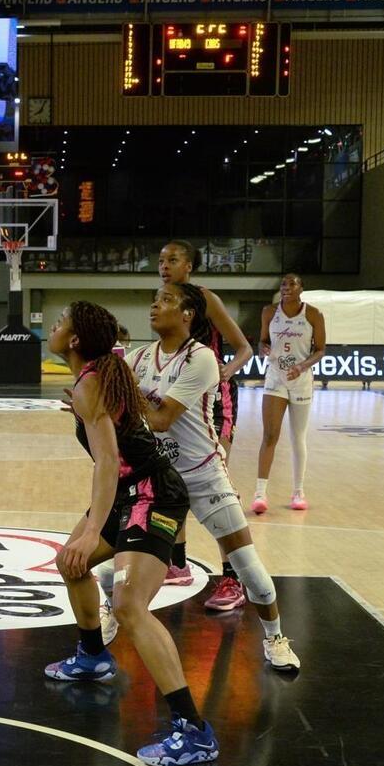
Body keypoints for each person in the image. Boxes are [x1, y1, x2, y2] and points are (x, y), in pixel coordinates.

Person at [45, 300, 218, 766]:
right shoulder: (100, 374)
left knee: (128, 607)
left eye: (60, 322)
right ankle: (92, 657)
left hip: (152, 496)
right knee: (70, 563)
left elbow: (105, 463)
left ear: (76, 340)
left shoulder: (94, 381)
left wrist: (92, 530)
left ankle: (193, 730)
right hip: (129, 493)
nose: (53, 326)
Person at [124, 283, 300, 671]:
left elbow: (159, 419)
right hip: (159, 480)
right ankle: (100, 630)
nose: (156, 304)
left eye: (166, 300)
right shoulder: (138, 358)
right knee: (119, 565)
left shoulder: (200, 358)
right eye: (154, 298)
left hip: (204, 476)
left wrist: (125, 398)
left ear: (188, 314)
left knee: (249, 568)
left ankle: (275, 638)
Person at [156, 240, 253, 598]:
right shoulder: (164, 300)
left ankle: (233, 577)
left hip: (214, 402)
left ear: (189, 266)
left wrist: (224, 372)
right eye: (162, 260)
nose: (165, 265)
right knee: (172, 479)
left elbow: (243, 347)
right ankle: (177, 564)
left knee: (217, 485)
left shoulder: (205, 298)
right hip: (181, 399)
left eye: (174, 259)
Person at [254, 273, 326, 514]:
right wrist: (263, 348)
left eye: (291, 284)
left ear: (301, 289)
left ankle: (298, 492)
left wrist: (302, 366)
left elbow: (321, 350)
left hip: (301, 380)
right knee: (270, 435)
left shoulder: (313, 314)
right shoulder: (268, 312)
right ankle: (260, 494)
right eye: (283, 284)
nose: (286, 287)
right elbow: (262, 341)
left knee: (298, 437)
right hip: (276, 377)